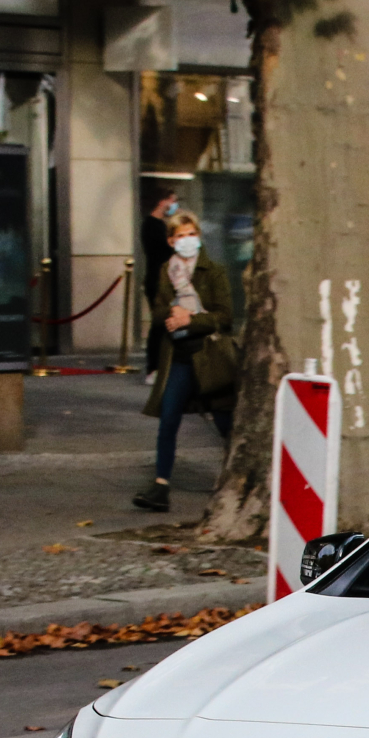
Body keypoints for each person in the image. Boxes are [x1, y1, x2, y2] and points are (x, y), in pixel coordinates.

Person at [136, 209, 238, 513]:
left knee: (224, 423)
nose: (187, 240)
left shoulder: (214, 271)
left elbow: (224, 316)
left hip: (211, 359)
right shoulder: (166, 271)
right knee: (168, 421)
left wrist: (189, 319)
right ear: (170, 241)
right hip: (178, 359)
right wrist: (172, 316)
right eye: (180, 235)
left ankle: (236, 481)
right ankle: (160, 486)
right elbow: (156, 312)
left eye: (191, 234)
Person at [140, 183, 180, 386]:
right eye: (171, 200)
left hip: (168, 280)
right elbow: (163, 251)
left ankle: (165, 365)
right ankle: (153, 367)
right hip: (157, 281)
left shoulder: (162, 225)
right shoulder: (152, 226)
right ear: (162, 201)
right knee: (159, 325)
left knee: (168, 325)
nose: (174, 204)